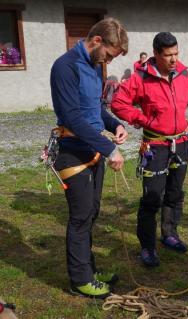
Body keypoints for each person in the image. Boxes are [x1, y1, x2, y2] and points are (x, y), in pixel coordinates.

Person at [50, 18, 129, 298]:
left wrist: (115, 124)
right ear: (97, 41)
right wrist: (110, 149)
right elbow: (72, 116)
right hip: (72, 152)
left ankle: (89, 270)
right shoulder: (64, 67)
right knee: (81, 216)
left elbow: (95, 110)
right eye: (109, 54)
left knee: (92, 212)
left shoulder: (96, 67)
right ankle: (80, 280)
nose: (108, 60)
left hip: (92, 149)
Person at [111, 32, 188, 266]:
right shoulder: (141, 78)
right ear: (156, 54)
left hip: (180, 144)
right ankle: (148, 247)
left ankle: (170, 235)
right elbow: (118, 104)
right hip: (155, 146)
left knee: (174, 193)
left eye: (176, 53)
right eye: (168, 55)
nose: (174, 59)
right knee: (152, 198)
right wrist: (143, 120)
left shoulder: (184, 74)